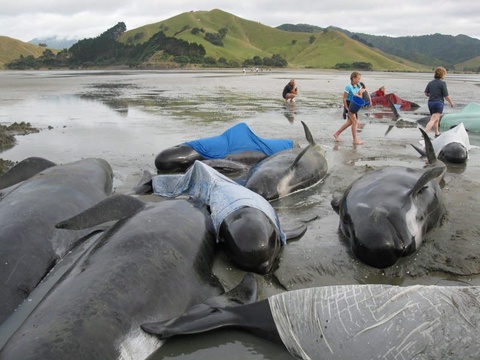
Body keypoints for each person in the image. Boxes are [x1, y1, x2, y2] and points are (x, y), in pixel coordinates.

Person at [333, 71, 364, 145]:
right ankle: (355, 140)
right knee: (355, 122)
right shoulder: (348, 87)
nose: (359, 80)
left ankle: (337, 133)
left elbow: (360, 96)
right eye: (358, 78)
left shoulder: (359, 85)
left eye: (359, 79)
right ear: (353, 78)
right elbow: (344, 98)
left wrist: (360, 94)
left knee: (350, 122)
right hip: (349, 104)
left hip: (355, 104)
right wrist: (346, 108)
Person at [424, 66, 454, 137]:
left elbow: (426, 93)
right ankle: (425, 134)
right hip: (438, 103)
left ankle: (437, 133)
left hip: (430, 102)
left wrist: (432, 95)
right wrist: (451, 102)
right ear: (442, 74)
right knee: (433, 119)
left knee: (436, 119)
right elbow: (446, 96)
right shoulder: (442, 83)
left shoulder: (430, 83)